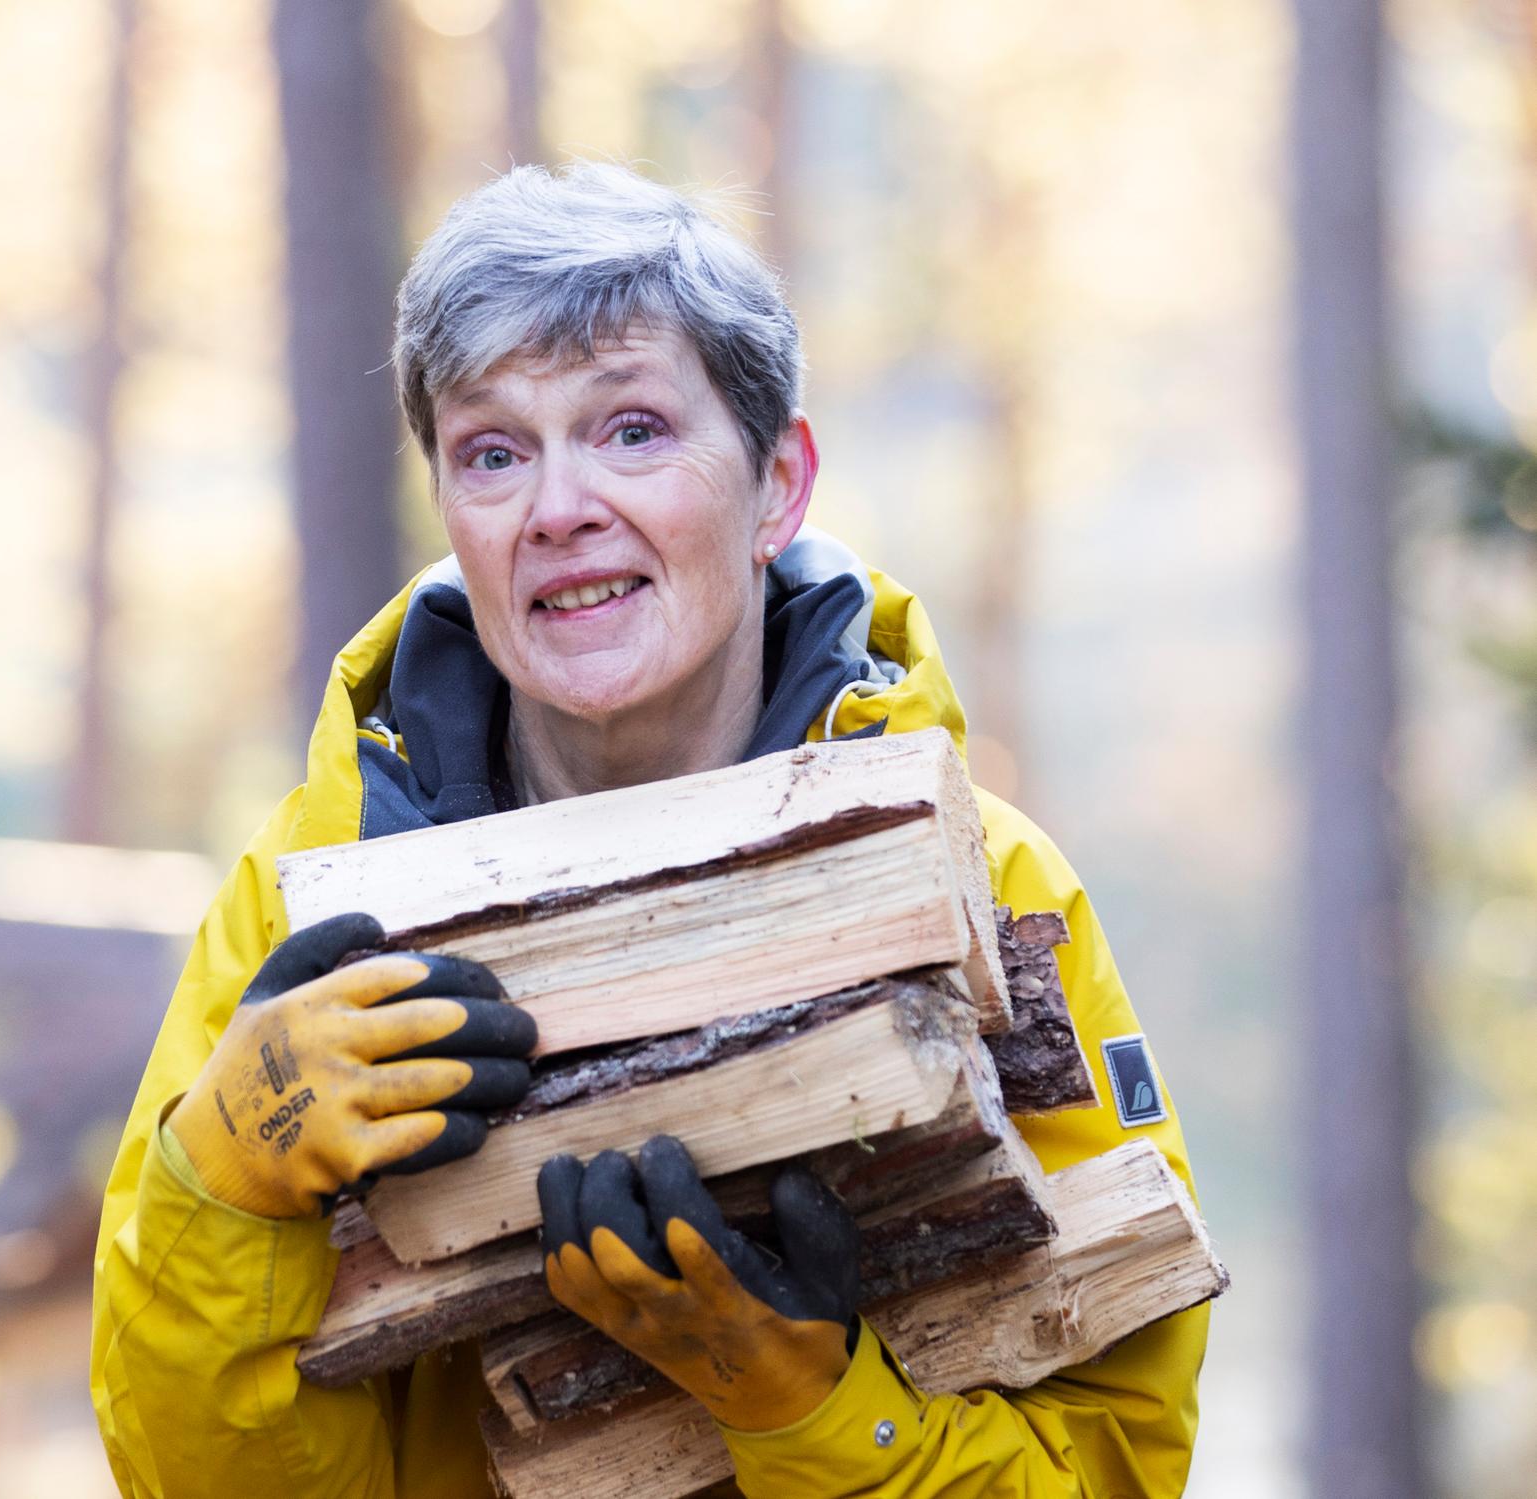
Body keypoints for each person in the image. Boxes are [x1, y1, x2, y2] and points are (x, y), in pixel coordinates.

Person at [88, 161, 1208, 1498]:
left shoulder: (990, 883)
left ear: (776, 486)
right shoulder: (310, 914)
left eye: (629, 430)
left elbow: (1114, 1462)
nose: (557, 509)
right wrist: (215, 1190)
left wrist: (805, 1406)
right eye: (493, 452)